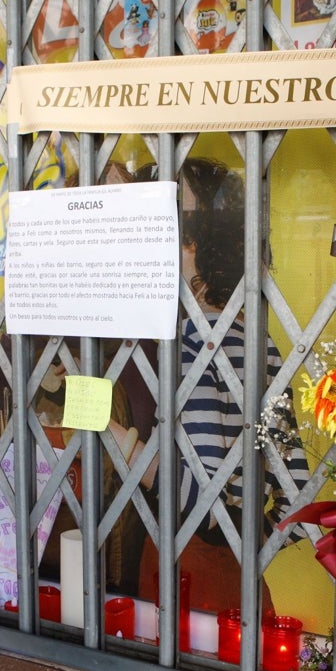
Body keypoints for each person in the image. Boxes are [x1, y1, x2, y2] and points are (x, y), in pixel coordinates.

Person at [130, 158, 311, 614]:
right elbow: (295, 495)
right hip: (240, 592)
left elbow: (197, 494)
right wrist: (244, 546)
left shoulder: (192, 338)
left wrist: (104, 430)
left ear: (195, 242)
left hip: (187, 587)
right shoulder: (259, 339)